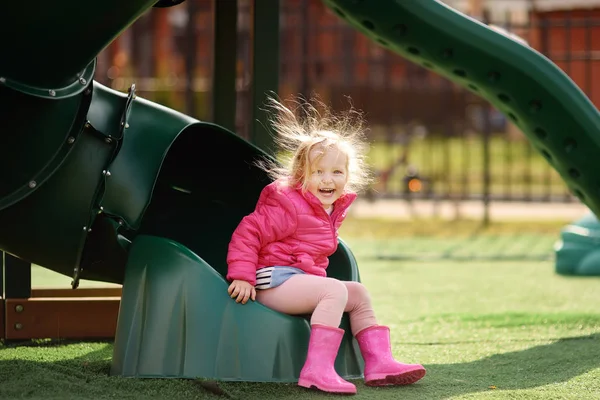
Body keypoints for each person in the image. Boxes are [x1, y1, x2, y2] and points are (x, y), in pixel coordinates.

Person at [226, 95, 426, 395]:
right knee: (334, 289)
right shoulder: (288, 205)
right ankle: (317, 370)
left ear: (347, 175)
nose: (327, 179)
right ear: (301, 176)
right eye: (318, 172)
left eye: (336, 172)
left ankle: (379, 363)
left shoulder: (330, 209)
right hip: (272, 282)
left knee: (358, 293)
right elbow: (248, 232)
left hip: (300, 281)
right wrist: (242, 275)